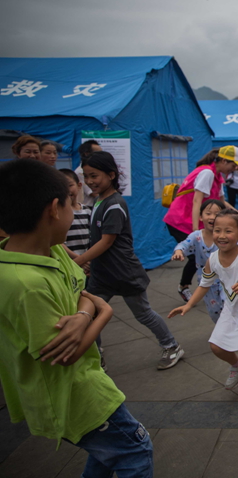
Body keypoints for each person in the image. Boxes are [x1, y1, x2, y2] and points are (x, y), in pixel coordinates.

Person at [0, 159, 154, 478]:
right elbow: (64, 354)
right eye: (74, 202)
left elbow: (82, 289)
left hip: (86, 380)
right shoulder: (24, 283)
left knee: (107, 455)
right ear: (54, 209)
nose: (78, 209)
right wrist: (103, 312)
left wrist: (86, 311)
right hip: (72, 393)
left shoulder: (52, 250)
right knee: (135, 450)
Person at [73, 151, 184, 370]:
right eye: (86, 176)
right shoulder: (98, 201)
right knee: (91, 316)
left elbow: (106, 242)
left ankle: (172, 346)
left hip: (123, 272)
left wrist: (78, 261)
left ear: (111, 175)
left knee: (143, 314)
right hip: (102, 273)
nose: (90, 181)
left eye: (94, 175)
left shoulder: (115, 204)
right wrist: (88, 262)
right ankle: (97, 356)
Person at [169, 210, 238, 408]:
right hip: (231, 307)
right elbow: (204, 285)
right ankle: (237, 366)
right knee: (216, 346)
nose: (222, 236)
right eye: (217, 230)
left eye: (228, 231)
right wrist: (188, 305)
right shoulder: (212, 259)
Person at [163, 146, 238, 302]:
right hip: (179, 219)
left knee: (205, 254)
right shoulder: (207, 173)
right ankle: (184, 287)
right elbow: (197, 200)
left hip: (189, 220)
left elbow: (222, 202)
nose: (234, 169)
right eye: (233, 165)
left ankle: (212, 285)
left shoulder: (218, 177)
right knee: (197, 255)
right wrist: (195, 231)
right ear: (224, 161)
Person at [171, 199, 229, 323]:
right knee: (215, 313)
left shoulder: (227, 235)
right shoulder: (196, 236)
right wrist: (178, 252)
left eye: (217, 213)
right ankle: (224, 331)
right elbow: (183, 245)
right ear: (201, 217)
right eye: (208, 213)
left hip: (227, 279)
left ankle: (232, 334)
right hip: (206, 283)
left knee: (229, 307)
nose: (212, 217)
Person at [59, 169, 92, 256]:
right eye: (61, 186)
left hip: (85, 261)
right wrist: (77, 258)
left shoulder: (87, 211)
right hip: (68, 262)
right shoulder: (58, 212)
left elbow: (92, 238)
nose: (66, 190)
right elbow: (58, 243)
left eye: (70, 185)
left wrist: (87, 258)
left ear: (79, 185)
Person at [74, 139, 102, 206]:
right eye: (98, 153)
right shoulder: (80, 171)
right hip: (88, 208)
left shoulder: (98, 169)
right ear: (87, 154)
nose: (101, 156)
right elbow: (94, 193)